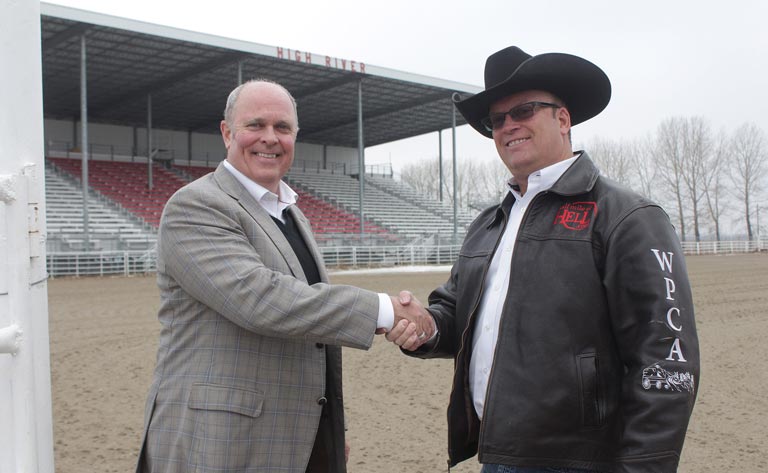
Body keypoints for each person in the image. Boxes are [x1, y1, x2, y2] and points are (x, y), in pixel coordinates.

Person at [387, 46, 700, 473]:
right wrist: (424, 326)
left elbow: (665, 360)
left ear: (563, 119)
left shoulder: (626, 217)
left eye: (524, 110)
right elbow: (456, 313)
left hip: (580, 463)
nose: (508, 126)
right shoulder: (489, 223)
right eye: (497, 120)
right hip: (495, 455)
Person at [135, 79, 433, 473]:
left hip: (296, 439)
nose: (270, 138)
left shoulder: (291, 213)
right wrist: (384, 310)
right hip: (219, 443)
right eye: (255, 125)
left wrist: (327, 430)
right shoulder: (196, 205)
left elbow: (313, 331)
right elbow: (263, 300)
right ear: (227, 133)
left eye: (283, 128)